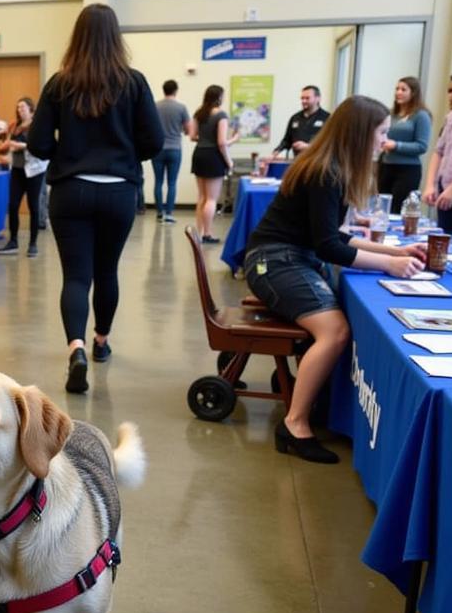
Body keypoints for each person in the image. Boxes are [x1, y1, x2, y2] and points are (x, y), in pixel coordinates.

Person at [244, 95, 426, 463]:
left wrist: (393, 254)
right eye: (381, 133)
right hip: (273, 261)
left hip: (285, 257)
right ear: (360, 134)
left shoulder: (329, 167)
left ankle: (311, 403)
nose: (384, 141)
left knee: (335, 326)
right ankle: (294, 424)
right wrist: (387, 266)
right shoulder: (325, 172)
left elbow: (331, 236)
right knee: (336, 331)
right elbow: (328, 245)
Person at [27, 3, 163, 394]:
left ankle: (77, 349)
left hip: (70, 191)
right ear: (115, 38)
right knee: (107, 272)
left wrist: (70, 153)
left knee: (76, 276)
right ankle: (102, 342)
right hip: (119, 191)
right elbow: (153, 142)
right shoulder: (134, 83)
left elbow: (37, 143)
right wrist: (121, 154)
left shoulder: (59, 83)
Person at [0, 97, 45, 257]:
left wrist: (19, 145)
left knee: (33, 205)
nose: (20, 110)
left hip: (34, 170)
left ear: (31, 108)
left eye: (23, 107)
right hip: (18, 168)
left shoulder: (37, 124)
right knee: (13, 205)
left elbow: (39, 144)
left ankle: (33, 244)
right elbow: (7, 144)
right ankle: (13, 242)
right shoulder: (14, 125)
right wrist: (7, 146)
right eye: (18, 107)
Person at [190, 84, 238, 244]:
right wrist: (233, 144)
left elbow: (192, 136)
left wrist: (205, 139)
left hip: (199, 154)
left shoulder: (199, 113)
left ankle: (199, 232)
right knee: (211, 199)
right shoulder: (221, 115)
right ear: (219, 97)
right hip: (213, 157)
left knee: (202, 197)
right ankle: (207, 234)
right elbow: (222, 143)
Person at [378, 75, 432, 213]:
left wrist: (396, 145)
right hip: (385, 166)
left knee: (398, 209)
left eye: (403, 89)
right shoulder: (391, 113)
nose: (398, 92)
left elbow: (422, 146)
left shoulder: (421, 115)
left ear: (413, 93)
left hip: (407, 170)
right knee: (382, 209)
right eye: (397, 89)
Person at [150, 79, 192, 224]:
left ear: (164, 90)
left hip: (158, 149)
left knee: (158, 181)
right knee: (172, 182)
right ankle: (169, 213)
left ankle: (159, 213)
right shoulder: (181, 108)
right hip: (174, 149)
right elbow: (188, 130)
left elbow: (150, 126)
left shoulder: (155, 107)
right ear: (176, 90)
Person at [423, 75, 452, 233]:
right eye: (450, 91)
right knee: (444, 236)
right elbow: (438, 151)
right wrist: (430, 185)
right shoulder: (450, 118)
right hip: (445, 186)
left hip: (451, 189)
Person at [271, 85, 330, 158]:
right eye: (302, 98)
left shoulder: (327, 118)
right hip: (297, 162)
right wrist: (276, 151)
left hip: (318, 163)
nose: (304, 101)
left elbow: (330, 144)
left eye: (307, 98)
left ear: (318, 98)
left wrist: (308, 147)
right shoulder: (295, 118)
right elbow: (286, 140)